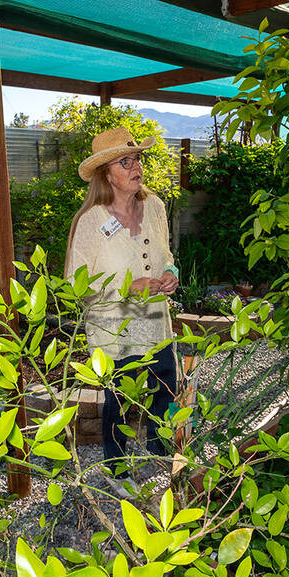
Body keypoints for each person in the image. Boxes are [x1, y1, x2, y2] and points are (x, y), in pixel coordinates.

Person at [64, 127, 179, 490]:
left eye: (137, 159)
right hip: (116, 330)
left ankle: (161, 456)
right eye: (124, 162)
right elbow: (73, 286)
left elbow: (168, 255)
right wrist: (127, 288)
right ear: (106, 174)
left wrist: (170, 273)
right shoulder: (92, 221)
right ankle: (117, 470)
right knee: (117, 399)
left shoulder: (156, 206)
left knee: (165, 388)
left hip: (156, 325)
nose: (135, 167)